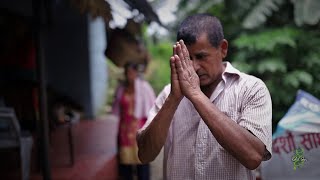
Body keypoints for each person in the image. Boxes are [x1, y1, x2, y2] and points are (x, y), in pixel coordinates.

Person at [136, 14, 272, 179]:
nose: (194, 66)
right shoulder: (169, 94)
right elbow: (144, 154)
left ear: (223, 48)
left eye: (201, 56)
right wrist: (173, 100)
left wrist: (194, 94)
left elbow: (253, 157)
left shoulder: (251, 89)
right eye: (188, 58)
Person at [112, 62, 156, 180]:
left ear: (137, 72)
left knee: (142, 164)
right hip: (124, 131)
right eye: (127, 72)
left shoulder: (144, 87)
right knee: (126, 165)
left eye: (132, 71)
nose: (129, 74)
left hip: (140, 131)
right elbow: (116, 107)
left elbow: (153, 107)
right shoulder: (121, 89)